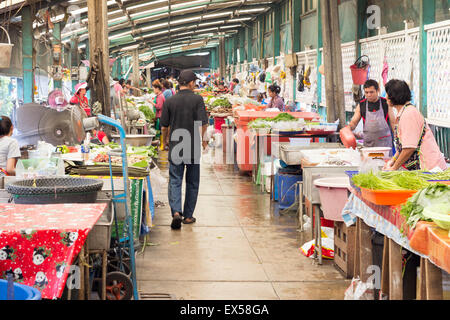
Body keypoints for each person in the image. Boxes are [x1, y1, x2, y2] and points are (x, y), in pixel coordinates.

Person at [160, 70, 209, 230]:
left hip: (176, 144)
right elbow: (203, 123)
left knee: (175, 180)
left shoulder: (170, 101)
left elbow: (164, 126)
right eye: (194, 82)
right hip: (193, 144)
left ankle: (176, 212)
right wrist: (203, 140)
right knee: (192, 182)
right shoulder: (197, 100)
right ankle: (188, 216)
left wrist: (165, 141)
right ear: (190, 83)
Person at [384, 79, 446, 171]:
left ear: (394, 96)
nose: (385, 97)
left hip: (430, 169)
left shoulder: (409, 114)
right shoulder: (404, 112)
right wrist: (393, 160)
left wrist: (394, 168)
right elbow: (404, 145)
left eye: (387, 94)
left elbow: (409, 148)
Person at [346, 79, 395, 149]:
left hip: (385, 145)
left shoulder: (386, 103)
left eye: (371, 92)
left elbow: (393, 123)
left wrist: (398, 138)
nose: (369, 95)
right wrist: (348, 128)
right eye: (366, 92)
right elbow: (354, 123)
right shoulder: (361, 105)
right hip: (368, 146)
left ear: (378, 90)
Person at [149, 80, 166, 144]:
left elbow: (159, 107)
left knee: (160, 132)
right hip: (159, 116)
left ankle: (162, 144)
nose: (153, 90)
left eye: (154, 89)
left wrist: (151, 103)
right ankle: (161, 144)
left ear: (157, 88)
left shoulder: (160, 96)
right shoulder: (159, 96)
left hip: (161, 116)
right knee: (160, 131)